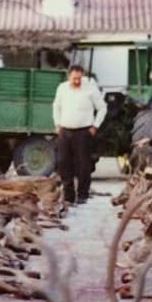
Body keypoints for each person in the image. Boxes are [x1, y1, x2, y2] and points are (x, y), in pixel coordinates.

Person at [52, 64, 106, 205]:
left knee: (83, 165)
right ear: (68, 76)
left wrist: (95, 125)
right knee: (63, 163)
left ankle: (82, 195)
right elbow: (56, 106)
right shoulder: (62, 88)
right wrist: (57, 123)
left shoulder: (90, 89)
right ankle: (69, 196)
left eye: (79, 78)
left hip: (83, 132)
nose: (77, 81)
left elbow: (102, 108)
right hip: (64, 131)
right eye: (74, 78)